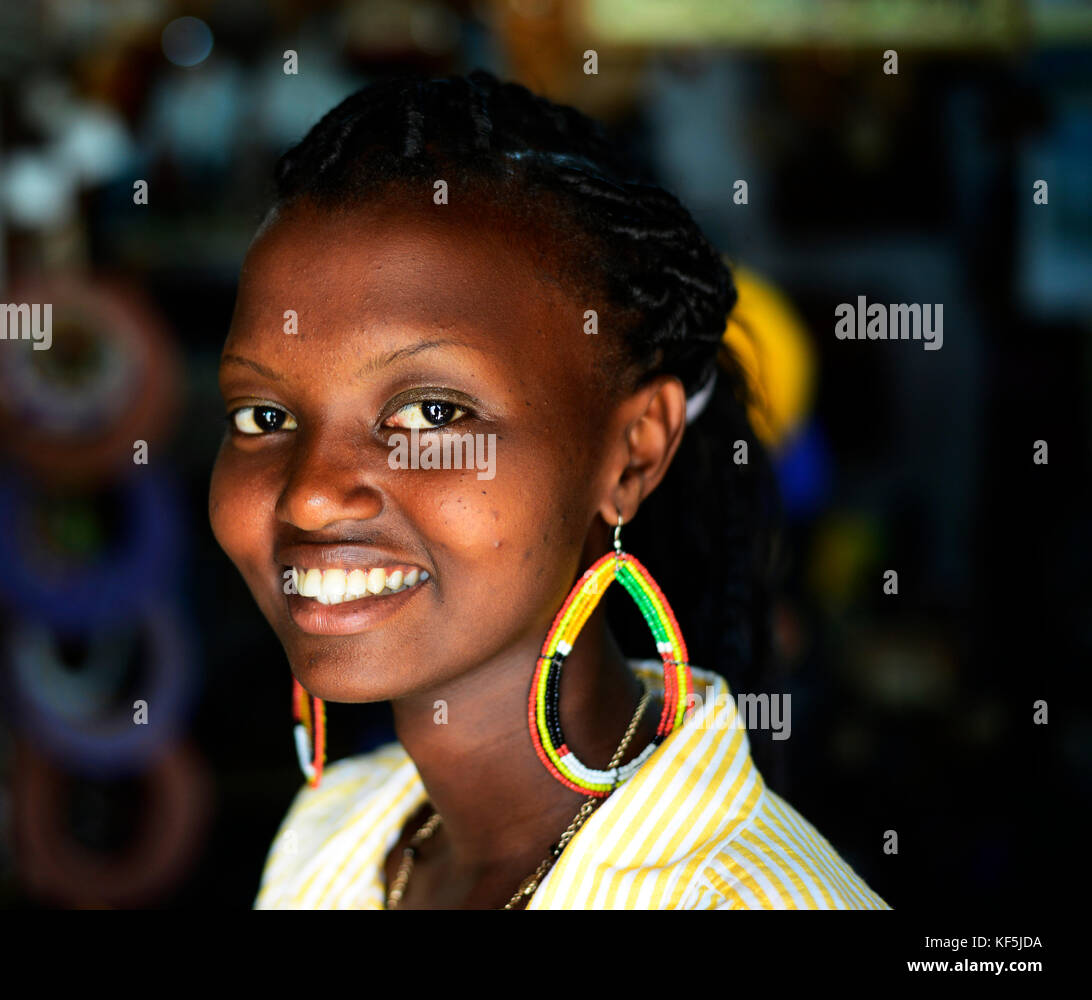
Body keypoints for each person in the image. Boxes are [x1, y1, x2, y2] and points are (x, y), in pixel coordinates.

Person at [209, 70, 889, 909]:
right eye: (263, 416)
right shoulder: (334, 834)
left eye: (431, 410)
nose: (308, 497)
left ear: (631, 455)